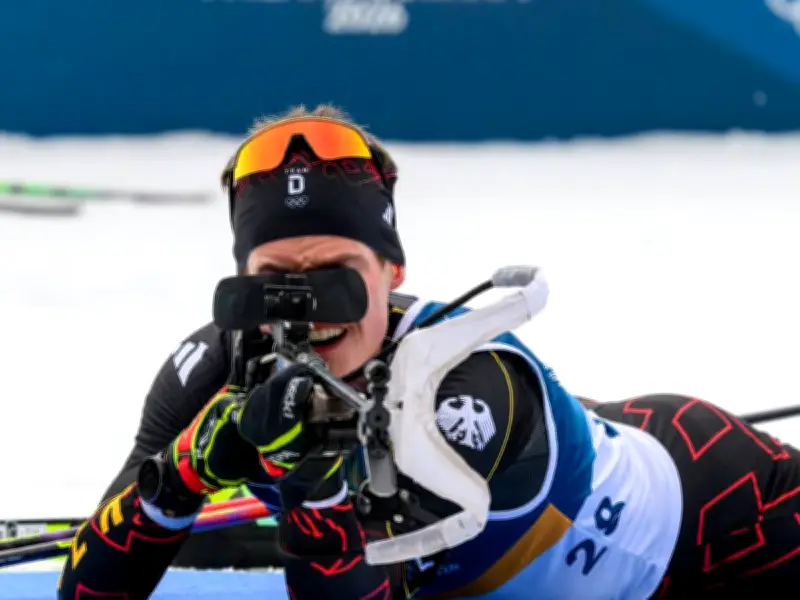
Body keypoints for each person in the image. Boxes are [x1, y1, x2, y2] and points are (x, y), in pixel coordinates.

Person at [57, 105, 800, 600]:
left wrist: (315, 495)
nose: (308, 312)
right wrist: (176, 479)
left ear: (393, 272)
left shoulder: (465, 381)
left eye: (336, 277)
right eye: (276, 284)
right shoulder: (214, 368)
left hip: (717, 520)